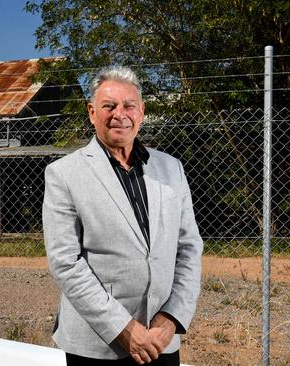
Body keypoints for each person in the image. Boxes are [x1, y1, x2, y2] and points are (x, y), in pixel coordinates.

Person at [42, 66, 203, 365]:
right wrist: (123, 329)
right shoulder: (64, 174)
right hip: (98, 346)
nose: (120, 114)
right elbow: (66, 262)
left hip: (160, 341)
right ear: (92, 112)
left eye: (129, 105)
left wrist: (170, 321)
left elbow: (189, 248)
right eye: (109, 106)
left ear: (141, 111)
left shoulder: (172, 169)